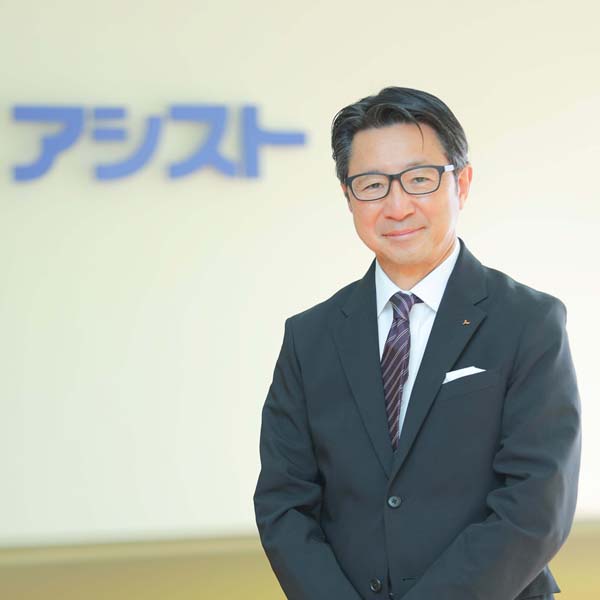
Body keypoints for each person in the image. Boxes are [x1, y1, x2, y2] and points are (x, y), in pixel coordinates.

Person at [253, 87, 581, 600]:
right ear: (348, 197)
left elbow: (537, 504)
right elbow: (284, 503)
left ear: (461, 183)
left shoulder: (529, 321)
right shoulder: (310, 336)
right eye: (372, 185)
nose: (397, 205)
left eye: (420, 179)